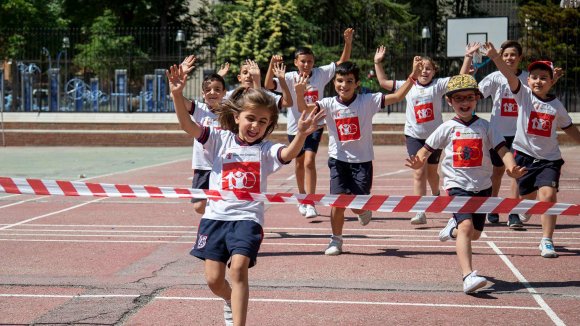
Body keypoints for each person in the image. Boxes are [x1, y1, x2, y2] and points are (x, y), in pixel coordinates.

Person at [167, 64, 324, 326]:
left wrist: (302, 136)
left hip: (247, 219)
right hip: (215, 217)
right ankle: (229, 299)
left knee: (238, 268)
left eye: (263, 122)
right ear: (238, 116)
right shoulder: (219, 139)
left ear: (269, 125)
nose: (255, 125)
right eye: (251, 118)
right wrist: (176, 94)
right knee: (214, 280)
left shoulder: (265, 149)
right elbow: (187, 125)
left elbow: (287, 154)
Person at [405, 74, 526, 293]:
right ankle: (468, 276)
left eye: (469, 97)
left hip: (482, 187)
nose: (464, 102)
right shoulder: (446, 127)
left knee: (475, 233)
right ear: (450, 102)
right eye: (458, 98)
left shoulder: (486, 126)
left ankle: (453, 228)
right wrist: (418, 162)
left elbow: (502, 150)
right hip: (456, 185)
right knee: (467, 227)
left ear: (477, 99)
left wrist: (511, 167)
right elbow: (425, 150)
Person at [296, 57, 423, 255]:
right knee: (338, 202)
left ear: (357, 83)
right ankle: (336, 240)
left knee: (355, 205)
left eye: (348, 81)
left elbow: (397, 97)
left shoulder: (368, 101)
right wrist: (298, 93)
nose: (343, 85)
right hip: (337, 160)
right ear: (334, 82)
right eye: (339, 81)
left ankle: (363, 210)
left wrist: (413, 76)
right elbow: (305, 110)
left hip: (362, 163)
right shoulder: (328, 103)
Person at [483, 42, 580, 258]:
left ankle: (547, 240)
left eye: (544, 78)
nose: (538, 81)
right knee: (528, 195)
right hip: (524, 155)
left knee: (548, 196)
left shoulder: (557, 106)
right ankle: (525, 207)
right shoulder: (523, 96)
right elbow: (509, 76)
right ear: (528, 80)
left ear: (552, 81)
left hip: (549, 160)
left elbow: (570, 128)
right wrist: (495, 57)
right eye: (534, 77)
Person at [460, 41, 563, 228]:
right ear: (501, 56)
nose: (509, 58)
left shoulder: (527, 77)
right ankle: (492, 206)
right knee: (497, 172)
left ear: (520, 58)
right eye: (506, 55)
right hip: (498, 133)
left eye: (513, 54)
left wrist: (552, 80)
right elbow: (475, 95)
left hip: (520, 135)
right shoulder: (494, 78)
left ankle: (514, 212)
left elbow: (541, 93)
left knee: (516, 174)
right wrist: (469, 77)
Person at [375, 45, 479, 225]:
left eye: (428, 68)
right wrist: (377, 62)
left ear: (434, 71)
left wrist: (467, 57)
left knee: (432, 173)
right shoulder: (406, 85)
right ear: (415, 69)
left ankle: (436, 193)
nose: (424, 71)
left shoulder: (438, 85)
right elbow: (383, 83)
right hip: (414, 136)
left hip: (434, 138)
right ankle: (419, 210)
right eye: (421, 67)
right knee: (418, 172)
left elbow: (460, 79)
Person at [264, 28, 354, 219]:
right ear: (296, 62)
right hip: (295, 127)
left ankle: (310, 201)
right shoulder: (288, 77)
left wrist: (347, 43)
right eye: (303, 61)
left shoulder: (320, 74)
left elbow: (342, 63)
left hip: (314, 124)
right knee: (298, 164)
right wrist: (272, 64)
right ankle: (302, 198)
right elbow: (268, 86)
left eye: (310, 61)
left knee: (309, 160)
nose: (306, 64)